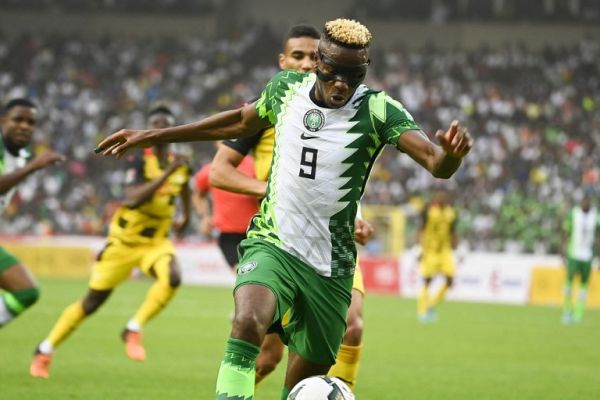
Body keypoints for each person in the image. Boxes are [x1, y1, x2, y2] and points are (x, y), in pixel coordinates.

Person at [95, 18, 473, 400]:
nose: (341, 83)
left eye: (353, 75)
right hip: (273, 243)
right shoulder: (285, 89)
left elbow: (434, 161)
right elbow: (239, 121)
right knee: (246, 322)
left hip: (331, 265)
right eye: (333, 72)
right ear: (319, 62)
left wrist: (451, 158)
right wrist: (150, 136)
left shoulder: (378, 109)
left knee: (302, 385)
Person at [210, 24, 372, 389]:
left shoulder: (347, 109)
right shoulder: (272, 107)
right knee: (267, 354)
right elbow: (219, 172)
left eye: (313, 57)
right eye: (296, 56)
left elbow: (343, 182)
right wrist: (276, 189)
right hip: (283, 240)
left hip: (334, 246)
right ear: (282, 61)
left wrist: (359, 217)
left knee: (353, 325)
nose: (304, 63)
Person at [30, 105, 191, 378]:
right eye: (155, 123)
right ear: (149, 130)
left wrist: (186, 216)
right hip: (124, 243)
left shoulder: (182, 162)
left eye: (166, 124)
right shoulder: (138, 160)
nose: (160, 128)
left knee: (173, 276)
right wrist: (167, 173)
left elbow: (184, 185)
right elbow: (132, 198)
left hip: (156, 242)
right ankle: (44, 350)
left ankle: (133, 329)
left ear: (171, 130)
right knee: (92, 302)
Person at [0, 98, 65, 328]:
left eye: (31, 122)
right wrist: (32, 167)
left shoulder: (22, 156)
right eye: (18, 119)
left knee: (25, 292)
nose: (25, 126)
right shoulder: (26, 161)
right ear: (3, 121)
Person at [193, 144, 259, 269]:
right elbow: (198, 194)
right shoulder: (211, 169)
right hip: (227, 235)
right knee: (242, 272)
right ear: (216, 143)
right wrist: (205, 216)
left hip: (254, 231)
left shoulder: (254, 165)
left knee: (254, 276)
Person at [416, 189, 458, 323]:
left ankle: (431, 305)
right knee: (427, 280)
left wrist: (457, 245)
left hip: (445, 251)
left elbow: (453, 231)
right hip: (430, 250)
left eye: (444, 198)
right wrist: (419, 248)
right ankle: (422, 311)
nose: (441, 200)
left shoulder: (451, 213)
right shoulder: (428, 212)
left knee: (450, 280)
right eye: (439, 198)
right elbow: (421, 229)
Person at [561, 194, 600, 324]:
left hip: (587, 256)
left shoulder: (596, 216)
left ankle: (578, 313)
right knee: (569, 283)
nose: (585, 204)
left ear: (590, 202)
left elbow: (598, 237)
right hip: (574, 254)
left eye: (587, 201)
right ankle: (567, 310)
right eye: (583, 201)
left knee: (584, 286)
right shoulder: (574, 214)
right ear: (581, 202)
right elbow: (565, 232)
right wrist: (562, 251)